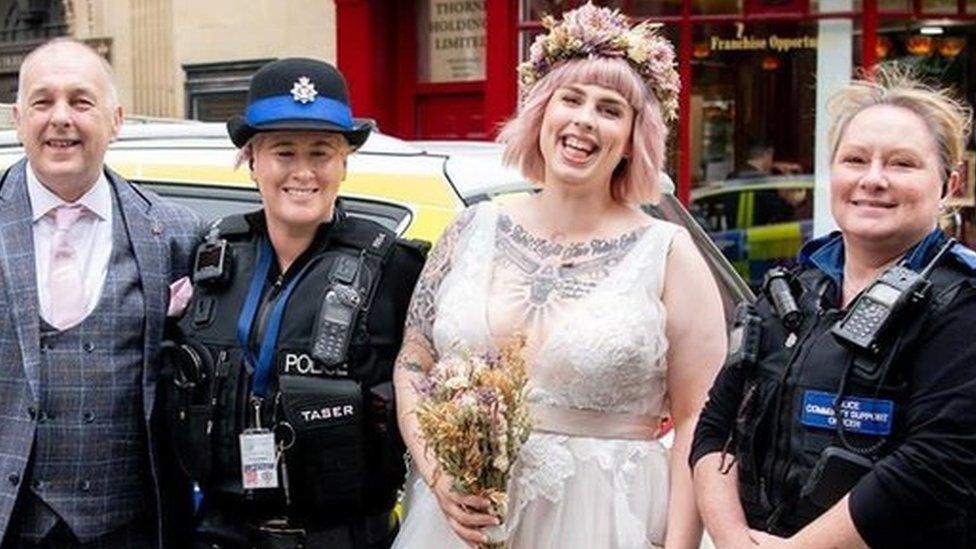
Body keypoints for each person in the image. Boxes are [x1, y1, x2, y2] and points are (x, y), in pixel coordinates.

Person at [392, 4, 727, 548]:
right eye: (570, 100)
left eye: (610, 109)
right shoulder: (470, 228)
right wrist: (438, 471)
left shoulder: (668, 254)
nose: (584, 121)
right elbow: (414, 361)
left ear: (632, 137)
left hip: (606, 523)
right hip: (464, 523)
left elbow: (698, 421)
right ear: (542, 113)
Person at [691, 68, 976, 548]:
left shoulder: (962, 304)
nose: (873, 179)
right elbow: (716, 427)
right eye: (855, 159)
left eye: (902, 164)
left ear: (949, 184)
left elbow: (935, 463)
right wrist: (733, 537)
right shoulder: (790, 291)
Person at [160, 57, 425, 548]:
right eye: (283, 152)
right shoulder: (209, 255)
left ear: (344, 162)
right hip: (220, 536)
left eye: (321, 153)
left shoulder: (397, 270)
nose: (302, 172)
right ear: (251, 159)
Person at [0, 39, 203, 548]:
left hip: (129, 526)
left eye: (81, 101)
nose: (61, 118)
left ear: (115, 119)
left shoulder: (178, 233)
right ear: (19, 117)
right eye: (43, 102)